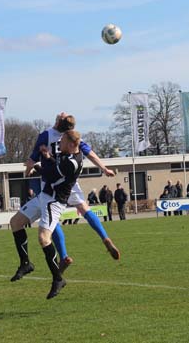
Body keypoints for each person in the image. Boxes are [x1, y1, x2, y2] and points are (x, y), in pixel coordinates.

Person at [26, 113, 119, 268]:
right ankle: (105, 237)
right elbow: (89, 153)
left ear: (57, 121)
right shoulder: (72, 136)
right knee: (84, 208)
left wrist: (28, 171)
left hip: (51, 182)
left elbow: (33, 159)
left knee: (51, 220)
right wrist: (103, 168)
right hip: (70, 182)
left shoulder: (46, 135)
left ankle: (63, 256)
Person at [9, 130, 84, 299]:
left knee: (44, 238)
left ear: (71, 144)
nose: (59, 143)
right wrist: (47, 157)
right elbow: (56, 167)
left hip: (55, 201)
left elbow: (51, 175)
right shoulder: (68, 155)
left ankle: (58, 279)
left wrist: (35, 165)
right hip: (45, 196)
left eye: (62, 141)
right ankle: (25, 263)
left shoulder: (73, 162)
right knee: (15, 222)